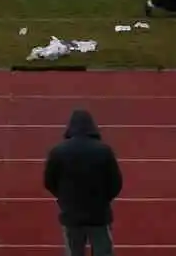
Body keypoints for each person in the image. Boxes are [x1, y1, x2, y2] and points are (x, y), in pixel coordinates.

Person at [43, 109, 123, 256]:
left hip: (71, 214)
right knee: (103, 251)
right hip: (99, 214)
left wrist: (63, 198)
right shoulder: (104, 151)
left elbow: (49, 181)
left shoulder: (58, 152)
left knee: (74, 252)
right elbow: (116, 182)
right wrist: (104, 199)